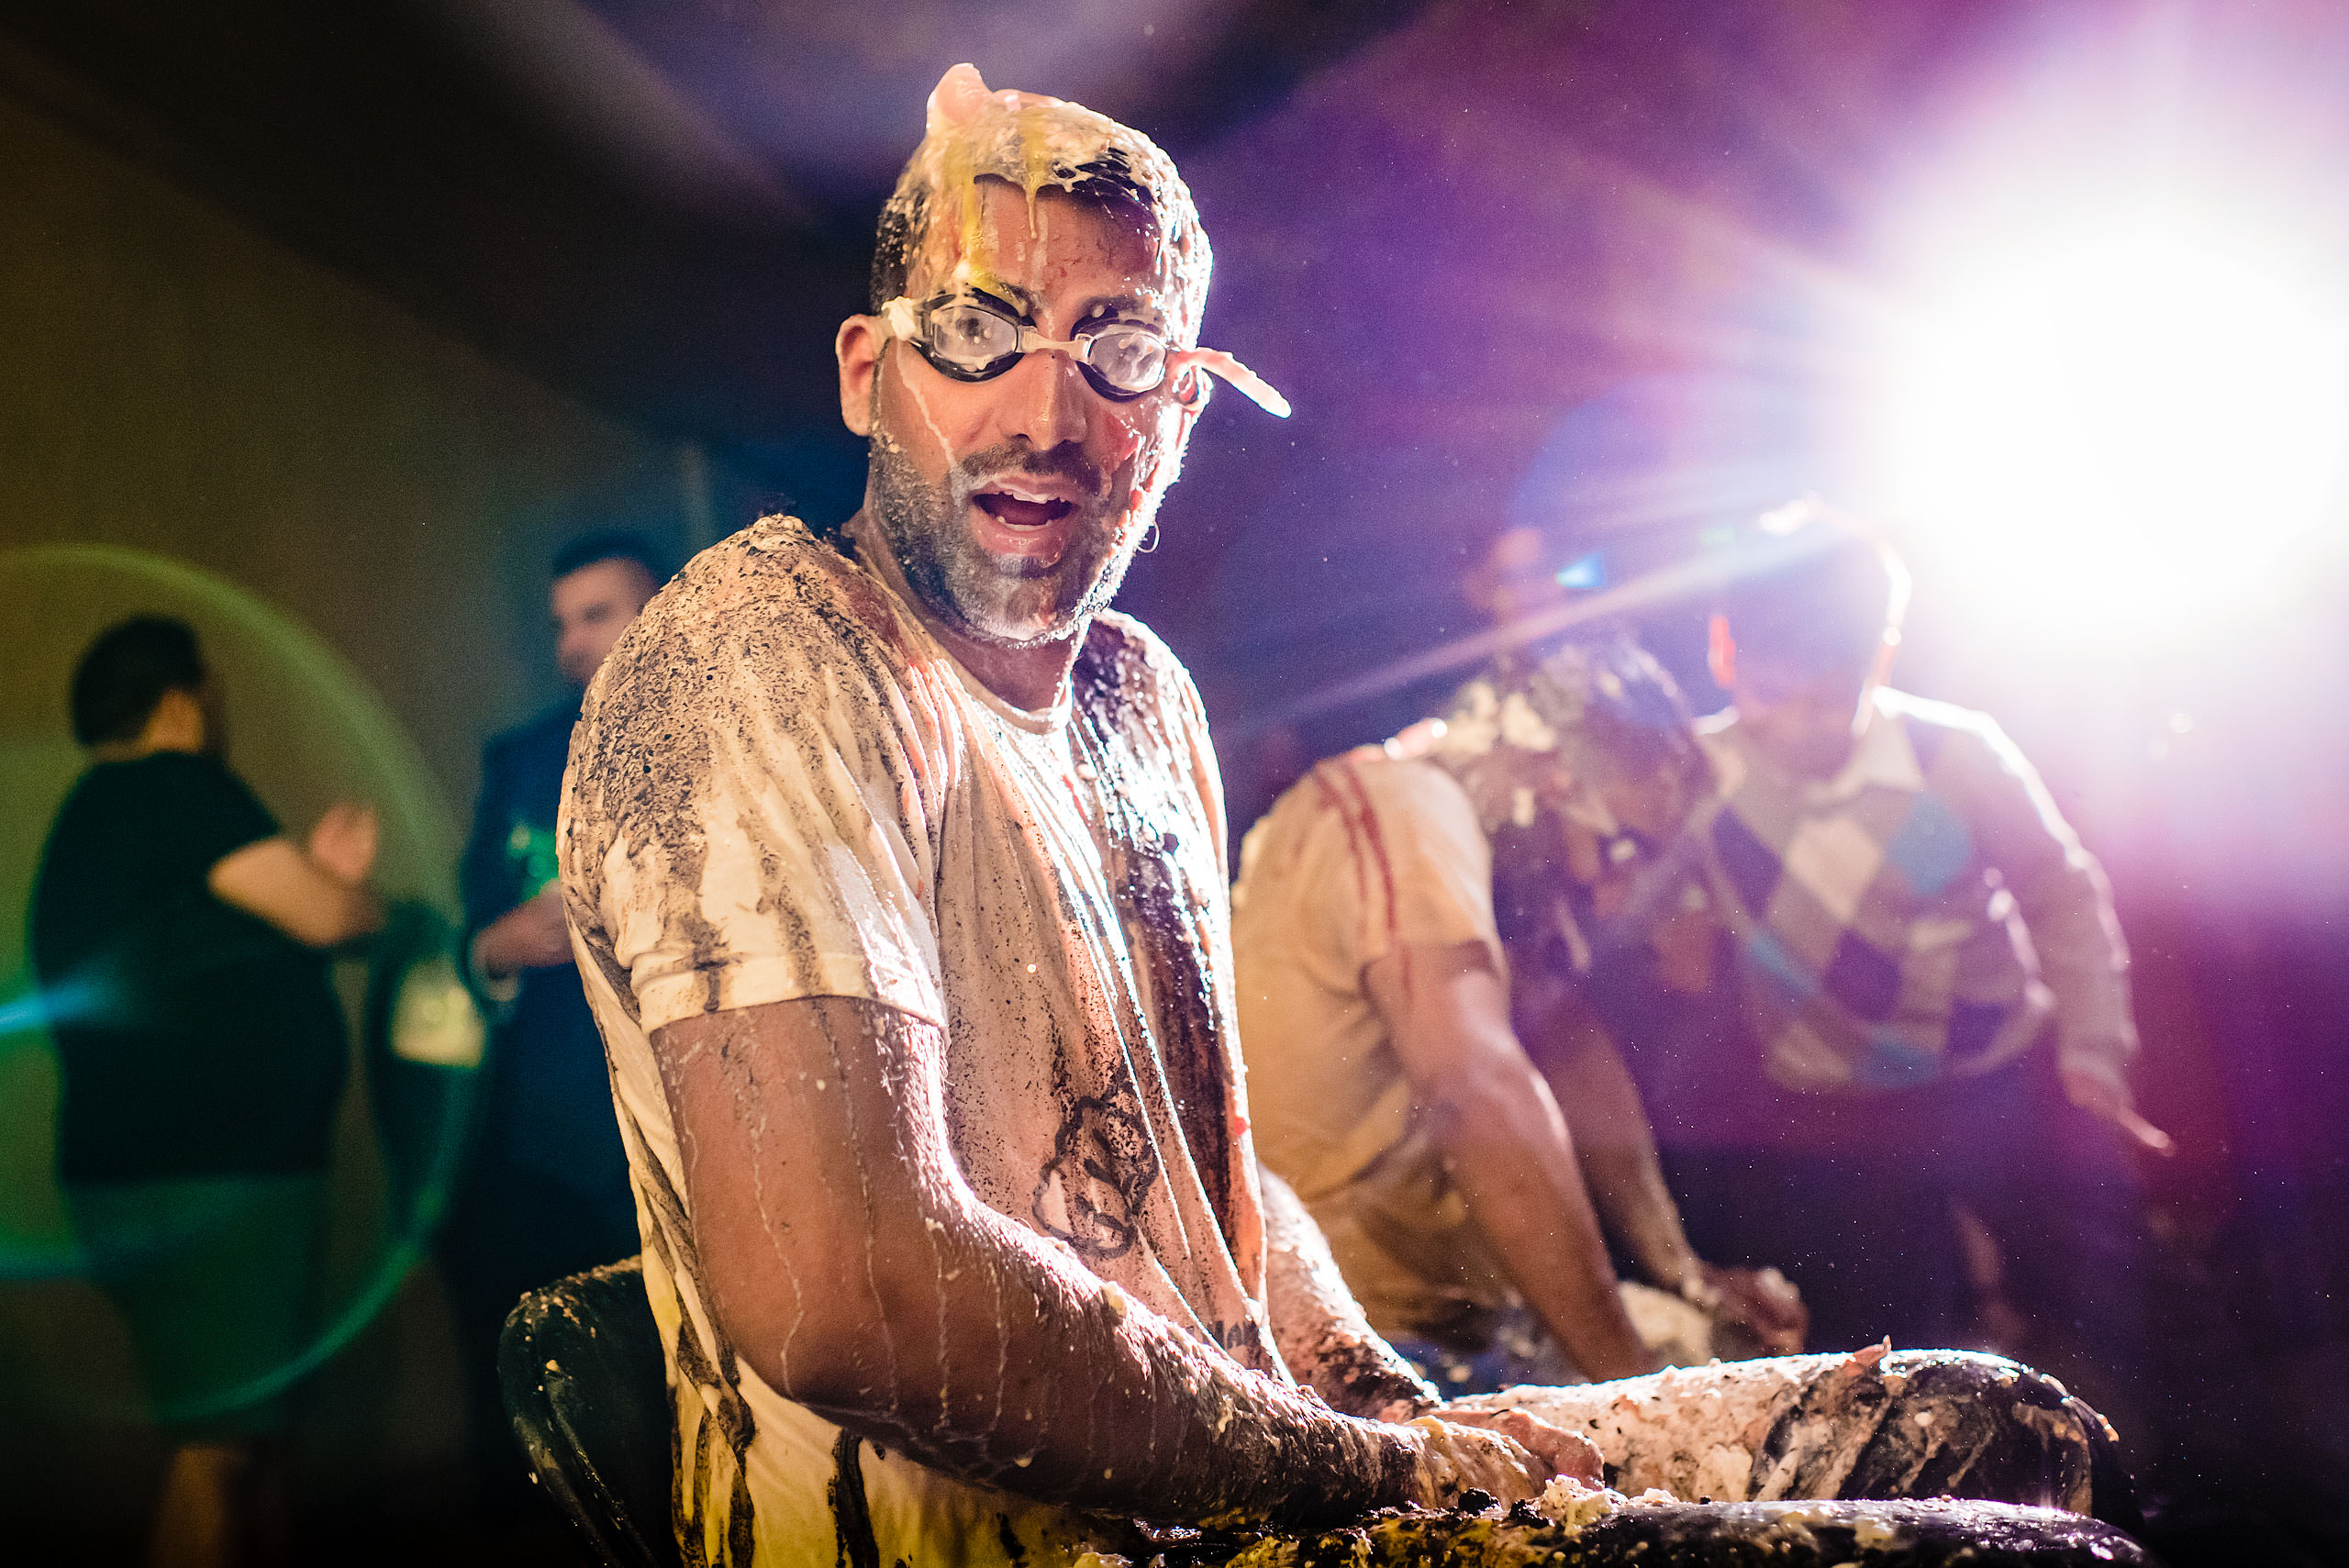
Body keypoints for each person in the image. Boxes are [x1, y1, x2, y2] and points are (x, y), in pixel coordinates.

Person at [558, 66, 2133, 1565]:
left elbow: (1222, 1168)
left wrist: (1383, 1399)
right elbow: (846, 1293)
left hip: (1256, 1482)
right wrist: (1359, 1468)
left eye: (1118, 344)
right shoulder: (763, 651)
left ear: (1178, 412)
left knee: (1981, 1429)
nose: (1045, 408)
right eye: (978, 328)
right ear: (866, 370)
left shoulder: (1137, 697)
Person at [1669, 509, 2156, 1420]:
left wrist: (2091, 1051)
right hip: (1832, 1111)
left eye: (1831, 695)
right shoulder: (1693, 776)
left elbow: (2062, 894)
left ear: (1880, 659)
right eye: (1776, 691)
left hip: (2001, 1077)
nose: (1803, 726)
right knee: (1881, 1356)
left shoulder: (1955, 755)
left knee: (2108, 1308)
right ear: (1723, 650)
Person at [1233, 642, 1807, 1396]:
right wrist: (1632, 1391)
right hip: (1366, 1342)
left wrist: (1684, 1275)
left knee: (1743, 1355)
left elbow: (1570, 1044)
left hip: (1462, 1323)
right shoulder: (1405, 804)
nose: (1611, 892)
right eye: (1617, 844)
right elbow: (1475, 1089)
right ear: (1543, 775)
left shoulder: (1500, 862)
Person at [29, 616, 381, 1568]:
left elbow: (212, 955)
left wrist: (311, 885)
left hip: (143, 1175)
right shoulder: (178, 788)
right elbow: (325, 916)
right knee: (217, 1449)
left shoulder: (91, 817)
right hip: (212, 1179)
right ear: (184, 698)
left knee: (243, 1435)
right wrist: (355, 898)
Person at [441, 531, 666, 1519]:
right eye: (561, 623)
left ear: (657, 607)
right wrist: (497, 946)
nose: (574, 641)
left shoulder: (721, 733)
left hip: (678, 1102)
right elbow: (471, 932)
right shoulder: (523, 758)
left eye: (598, 613)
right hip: (543, 1121)